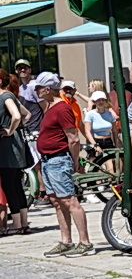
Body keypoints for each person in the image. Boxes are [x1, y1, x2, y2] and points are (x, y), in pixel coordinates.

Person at [33, 73, 92, 256]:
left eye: (38, 87)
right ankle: (66, 241)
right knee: (57, 202)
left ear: (48, 89)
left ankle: (85, 242)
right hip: (48, 160)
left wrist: (75, 162)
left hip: (58, 159)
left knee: (69, 200)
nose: (36, 90)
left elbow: (73, 138)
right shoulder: (50, 107)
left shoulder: (62, 108)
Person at [0, 74, 29, 235]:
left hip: (8, 147)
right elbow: (26, 115)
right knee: (16, 185)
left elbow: (17, 116)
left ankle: (18, 225)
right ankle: (23, 223)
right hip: (13, 146)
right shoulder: (9, 96)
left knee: (10, 185)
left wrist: (10, 130)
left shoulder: (5, 96)